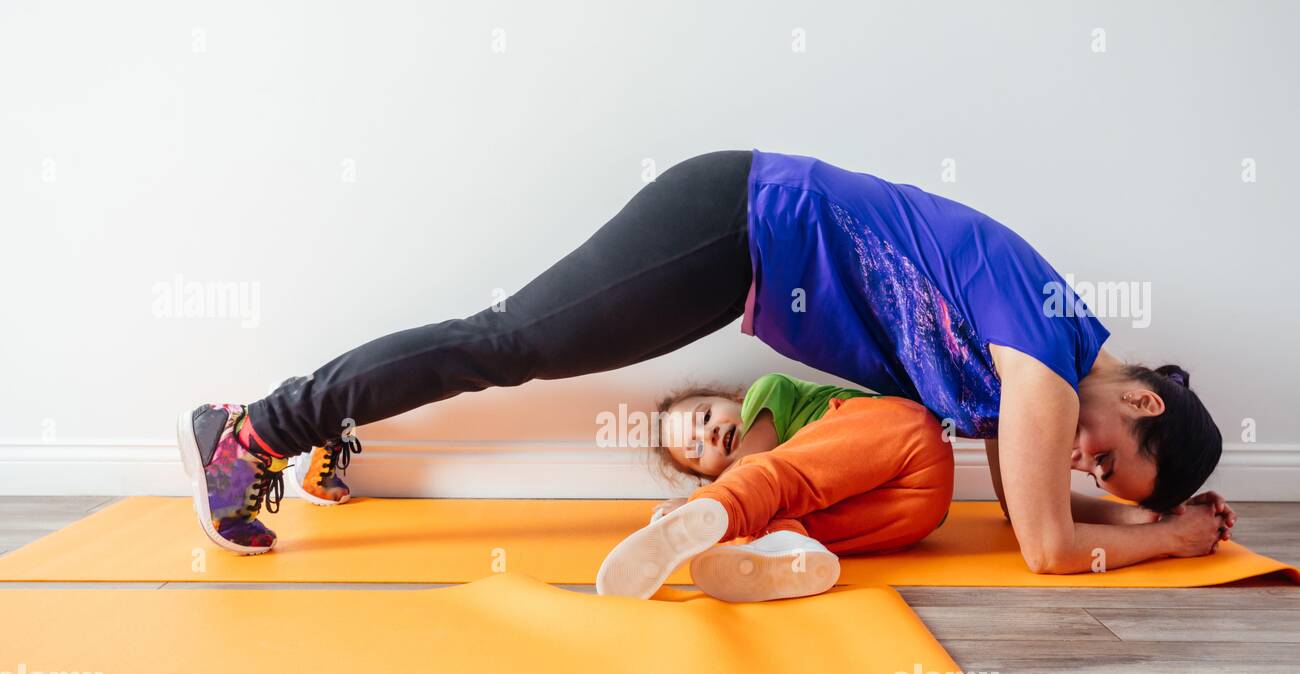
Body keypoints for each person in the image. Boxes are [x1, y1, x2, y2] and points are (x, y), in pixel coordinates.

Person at [177, 149, 1231, 570]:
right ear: (1135, 395)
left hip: (739, 248)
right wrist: (1174, 541)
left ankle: (310, 429)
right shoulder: (1043, 359)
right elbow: (1045, 547)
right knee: (514, 344)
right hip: (736, 220)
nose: (1077, 464)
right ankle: (258, 428)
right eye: (1104, 453)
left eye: (1095, 474)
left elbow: (1027, 509)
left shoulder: (1046, 361)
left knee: (511, 344)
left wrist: (1142, 515)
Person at [595, 373, 953, 601]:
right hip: (913, 515)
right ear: (709, 473)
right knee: (779, 514)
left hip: (907, 437)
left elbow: (759, 460)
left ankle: (714, 511)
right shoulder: (758, 481)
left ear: (736, 397)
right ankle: (786, 551)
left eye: (705, 417)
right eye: (699, 451)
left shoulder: (769, 392)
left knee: (768, 480)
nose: (710, 435)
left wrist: (695, 501)